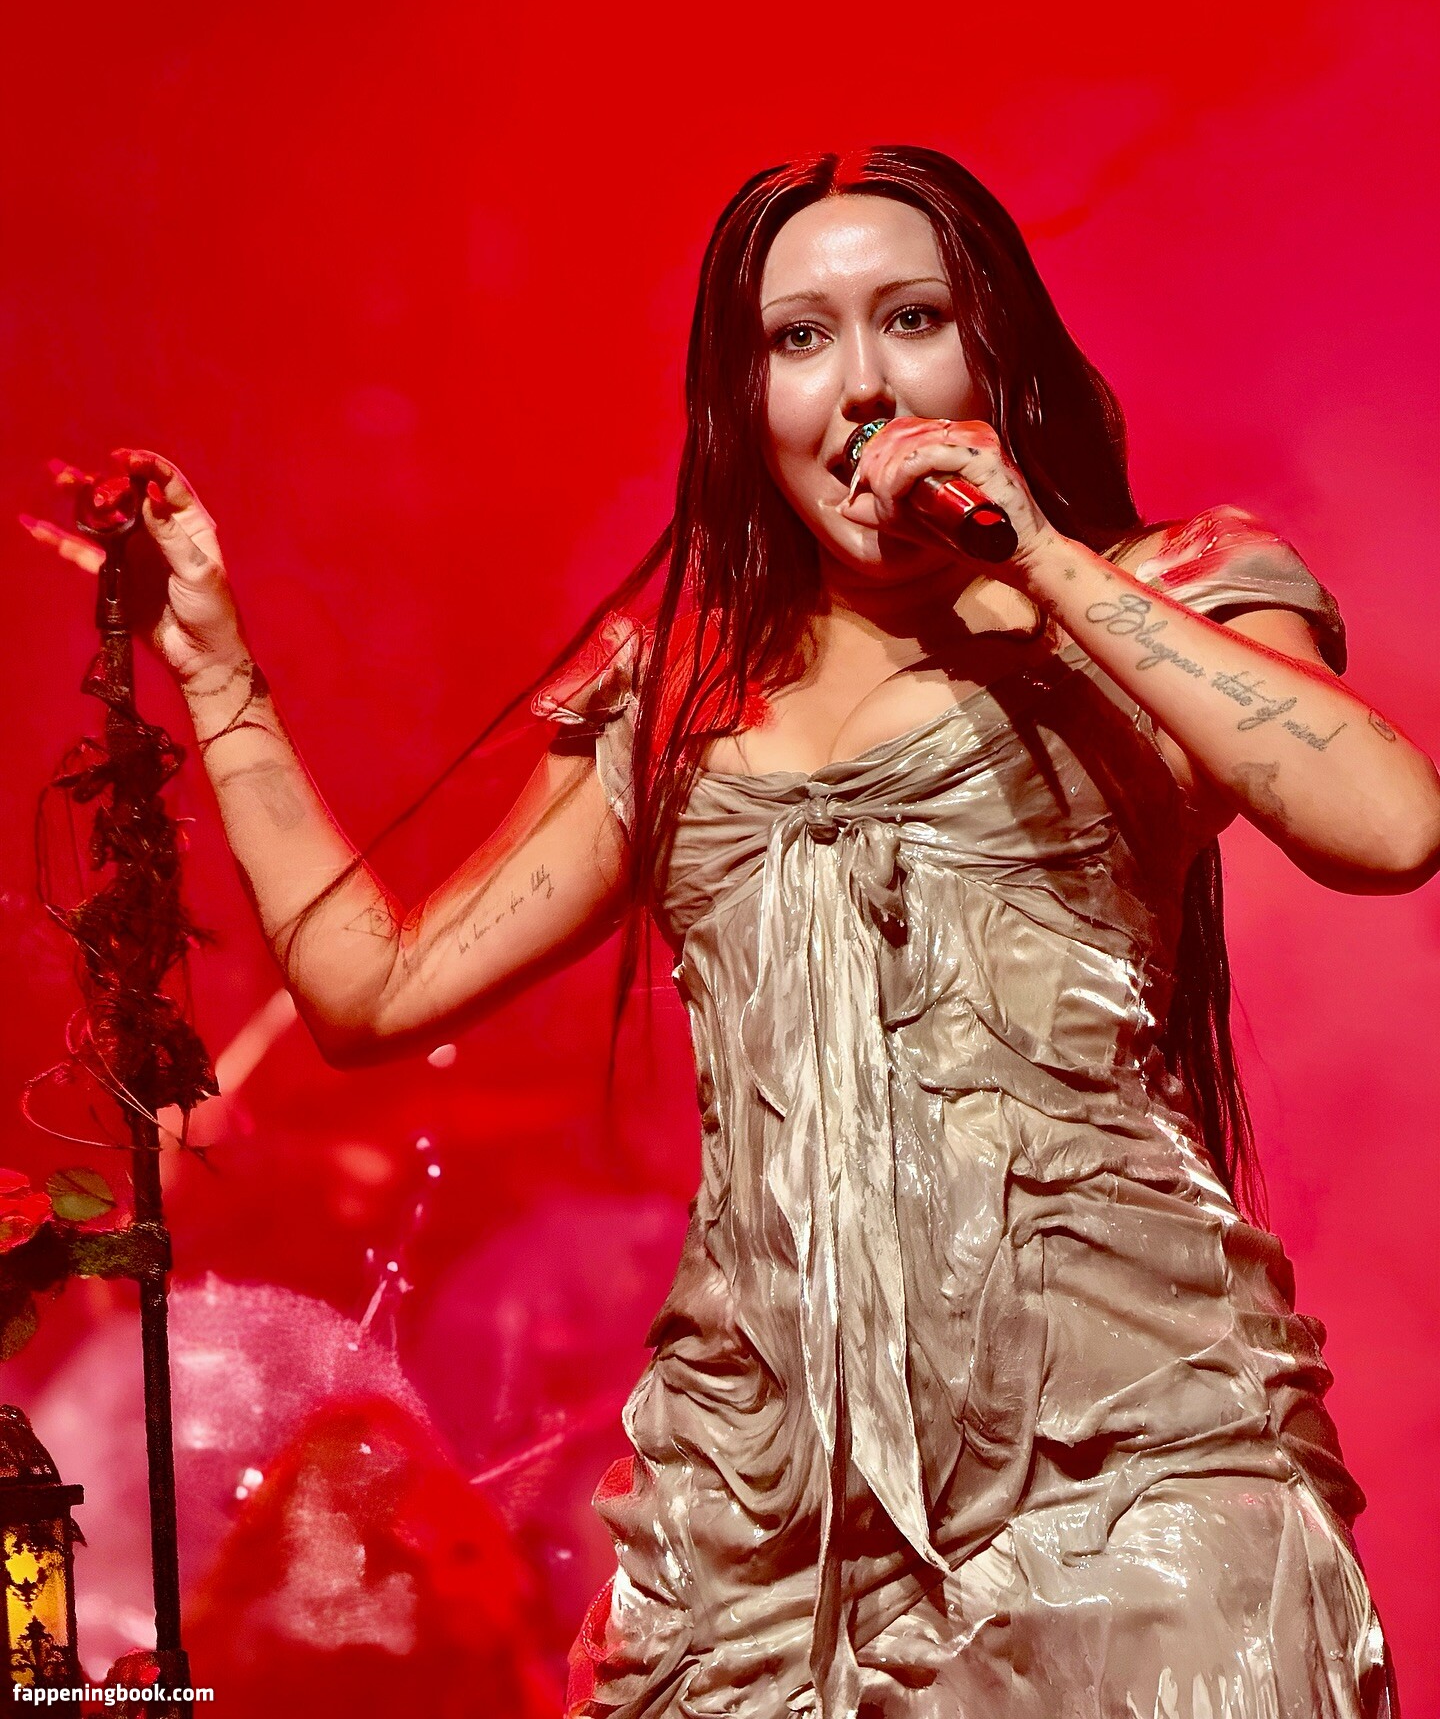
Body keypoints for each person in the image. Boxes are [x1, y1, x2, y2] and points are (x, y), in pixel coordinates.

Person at [28, 147, 1439, 1717]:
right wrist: (220, 676)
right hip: (764, 1533)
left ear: (995, 356)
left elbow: (1388, 827)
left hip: (1132, 1475)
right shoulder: (681, 705)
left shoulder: (1168, 595)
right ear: (743, 401)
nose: (864, 385)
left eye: (913, 319)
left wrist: (1036, 553)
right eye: (800, 337)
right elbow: (374, 992)